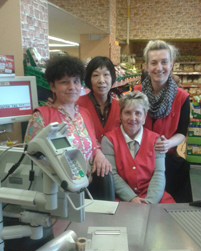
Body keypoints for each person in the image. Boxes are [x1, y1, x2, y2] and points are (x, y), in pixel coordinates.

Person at [24, 56, 112, 178]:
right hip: (57, 188)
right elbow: (30, 156)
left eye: (76, 81)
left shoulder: (84, 113)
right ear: (53, 86)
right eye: (64, 82)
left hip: (87, 186)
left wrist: (98, 152)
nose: (72, 87)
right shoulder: (41, 117)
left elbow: (92, 141)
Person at [133, 40, 192, 203]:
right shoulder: (136, 93)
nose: (159, 68)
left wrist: (169, 143)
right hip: (139, 162)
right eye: (153, 63)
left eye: (164, 62)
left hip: (168, 161)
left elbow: (181, 133)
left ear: (171, 64)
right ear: (146, 66)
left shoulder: (182, 98)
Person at [101, 91, 175, 204]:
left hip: (154, 196)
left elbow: (159, 173)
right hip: (122, 197)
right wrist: (132, 198)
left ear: (145, 116)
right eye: (127, 113)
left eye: (138, 113)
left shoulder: (156, 140)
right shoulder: (109, 140)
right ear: (120, 115)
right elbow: (112, 175)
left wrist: (151, 201)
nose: (133, 118)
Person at [46, 56, 120, 143]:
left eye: (106, 74)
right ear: (88, 79)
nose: (101, 80)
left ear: (113, 77)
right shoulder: (76, 105)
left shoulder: (121, 107)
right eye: (96, 75)